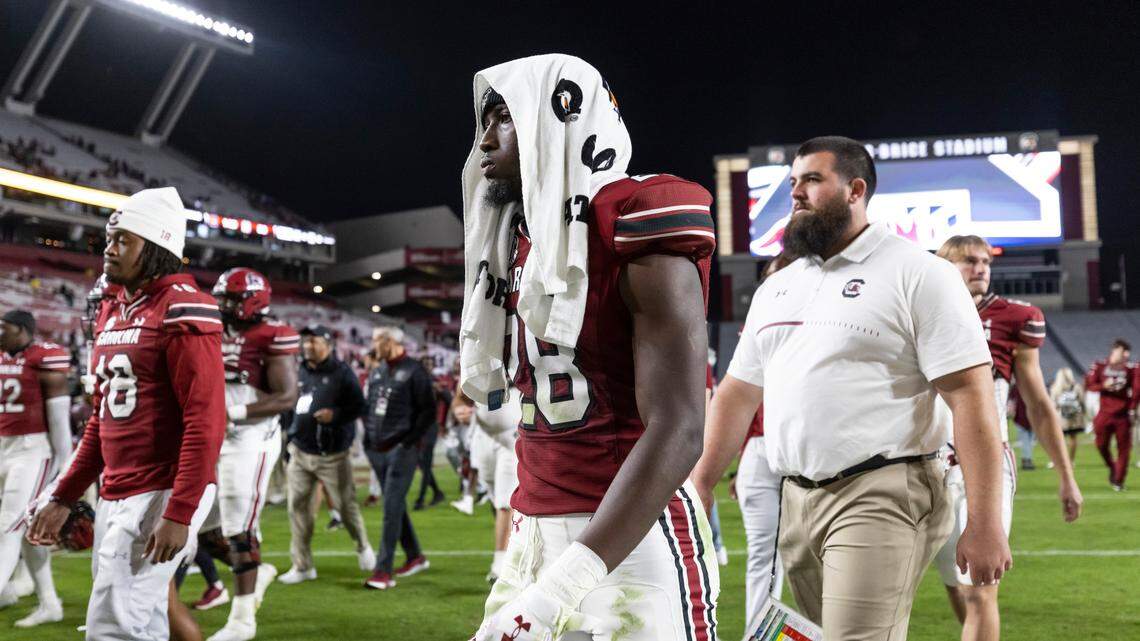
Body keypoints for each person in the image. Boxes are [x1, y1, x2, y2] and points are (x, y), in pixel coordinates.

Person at [711, 136, 1012, 640]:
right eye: (792, 182)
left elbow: (971, 398)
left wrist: (983, 521)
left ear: (855, 190)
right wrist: (699, 483)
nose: (796, 194)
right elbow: (737, 393)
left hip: (883, 489)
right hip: (797, 497)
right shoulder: (777, 286)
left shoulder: (920, 273)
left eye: (811, 180)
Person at [463, 54, 718, 641]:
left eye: (504, 116)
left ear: (560, 119)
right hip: (532, 525)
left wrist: (564, 585)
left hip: (628, 542)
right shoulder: (521, 239)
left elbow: (681, 426)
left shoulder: (632, 219)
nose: (485, 138)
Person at [26, 187, 225, 641]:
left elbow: (205, 420)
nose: (108, 250)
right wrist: (64, 495)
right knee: (142, 623)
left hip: (161, 485)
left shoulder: (180, 306)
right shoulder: (115, 307)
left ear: (155, 245)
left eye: (123, 240)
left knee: (113, 629)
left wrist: (179, 510)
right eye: (109, 239)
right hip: (119, 485)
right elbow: (102, 421)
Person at [932, 234, 1082, 641]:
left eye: (984, 261)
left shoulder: (1014, 317)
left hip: (981, 466)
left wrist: (1066, 477)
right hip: (923, 464)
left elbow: (1037, 403)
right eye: (968, 261)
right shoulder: (919, 310)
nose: (980, 267)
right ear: (945, 266)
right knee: (954, 584)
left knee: (979, 589)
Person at [692, 253, 795, 640]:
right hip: (760, 450)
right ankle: (760, 637)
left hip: (808, 455)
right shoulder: (760, 326)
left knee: (805, 565)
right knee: (765, 562)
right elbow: (739, 399)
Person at [202, 268, 300, 641]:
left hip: (251, 440)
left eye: (231, 299)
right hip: (214, 437)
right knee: (203, 532)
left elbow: (286, 397)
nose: (223, 305)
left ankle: (242, 622)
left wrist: (233, 414)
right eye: (222, 297)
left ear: (253, 300)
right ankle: (258, 573)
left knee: (238, 529)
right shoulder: (214, 331)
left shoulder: (271, 335)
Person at [280, 325, 372, 584]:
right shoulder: (297, 369)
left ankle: (362, 545)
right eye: (306, 341)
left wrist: (336, 416)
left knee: (345, 506)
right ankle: (302, 565)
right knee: (297, 508)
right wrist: (290, 435)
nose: (308, 345)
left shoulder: (342, 373)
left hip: (332, 454)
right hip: (300, 451)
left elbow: (359, 406)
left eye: (314, 341)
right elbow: (289, 404)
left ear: (328, 345)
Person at [0, 310, 71, 627]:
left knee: (8, 527)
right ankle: (49, 603)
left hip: (33, 451)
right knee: (28, 534)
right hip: (4, 446)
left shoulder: (45, 358)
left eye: (5, 327)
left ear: (23, 330)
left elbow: (59, 424)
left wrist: (64, 474)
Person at [361, 326, 434, 590]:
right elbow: (371, 406)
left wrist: (408, 442)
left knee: (390, 507)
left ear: (390, 341)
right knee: (396, 507)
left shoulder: (415, 370)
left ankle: (383, 571)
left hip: (402, 450)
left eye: (376, 340)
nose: (373, 345)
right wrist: (368, 442)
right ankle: (415, 556)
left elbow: (428, 410)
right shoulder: (379, 370)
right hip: (378, 450)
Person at [469, 393, 521, 584]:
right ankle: (516, 546)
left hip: (512, 434)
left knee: (504, 503)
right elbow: (460, 396)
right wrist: (460, 409)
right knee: (495, 497)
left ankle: (500, 566)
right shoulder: (482, 363)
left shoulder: (519, 363)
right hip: (483, 436)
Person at [1085, 339, 1139, 490]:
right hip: (1104, 413)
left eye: (1126, 353)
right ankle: (1113, 467)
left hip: (1123, 415)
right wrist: (1103, 385)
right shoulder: (1100, 366)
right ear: (1114, 350)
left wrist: (1133, 409)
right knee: (1100, 445)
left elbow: (1137, 390)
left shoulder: (1131, 368)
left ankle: (1118, 480)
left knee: (1124, 449)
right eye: (1122, 352)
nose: (1125, 356)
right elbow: (1089, 384)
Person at [1049, 367, 1086, 464]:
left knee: (1058, 439)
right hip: (1075, 417)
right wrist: (1084, 412)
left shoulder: (1055, 388)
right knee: (1073, 439)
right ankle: (1071, 461)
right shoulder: (1077, 387)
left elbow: (1053, 404)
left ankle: (1057, 461)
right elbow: (1082, 401)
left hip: (1061, 417)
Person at [1008, 387, 1036, 470]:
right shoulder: (1029, 387)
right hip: (1027, 418)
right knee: (1027, 441)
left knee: (1027, 442)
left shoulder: (1015, 388)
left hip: (1025, 418)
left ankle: (1026, 460)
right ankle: (1027, 461)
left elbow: (1011, 402)